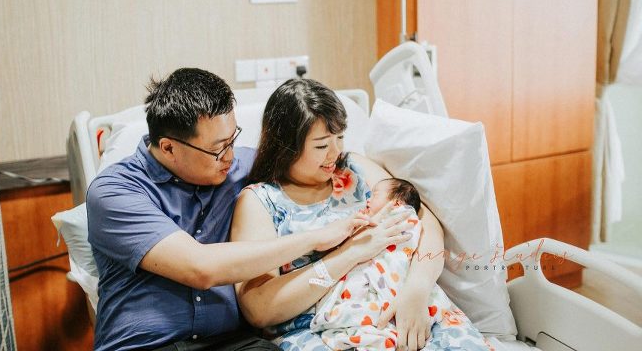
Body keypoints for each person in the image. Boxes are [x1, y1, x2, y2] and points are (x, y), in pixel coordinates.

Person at [86, 68, 409, 350]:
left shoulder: (241, 164)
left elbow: (399, 199)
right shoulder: (116, 191)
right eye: (218, 148)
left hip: (231, 342)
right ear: (169, 147)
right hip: (147, 343)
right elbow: (200, 268)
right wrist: (319, 238)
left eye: (232, 138)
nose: (230, 155)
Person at [231, 78, 446, 351]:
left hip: (407, 308)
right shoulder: (261, 201)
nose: (335, 153)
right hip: (325, 332)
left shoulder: (355, 168)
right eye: (321, 146)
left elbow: (423, 221)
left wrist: (417, 288)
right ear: (285, 146)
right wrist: (351, 253)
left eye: (340, 138)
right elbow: (259, 307)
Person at [310, 177, 493, 351]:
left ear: (396, 204)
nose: (367, 199)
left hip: (401, 278)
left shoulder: (403, 218)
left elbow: (405, 245)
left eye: (374, 194)